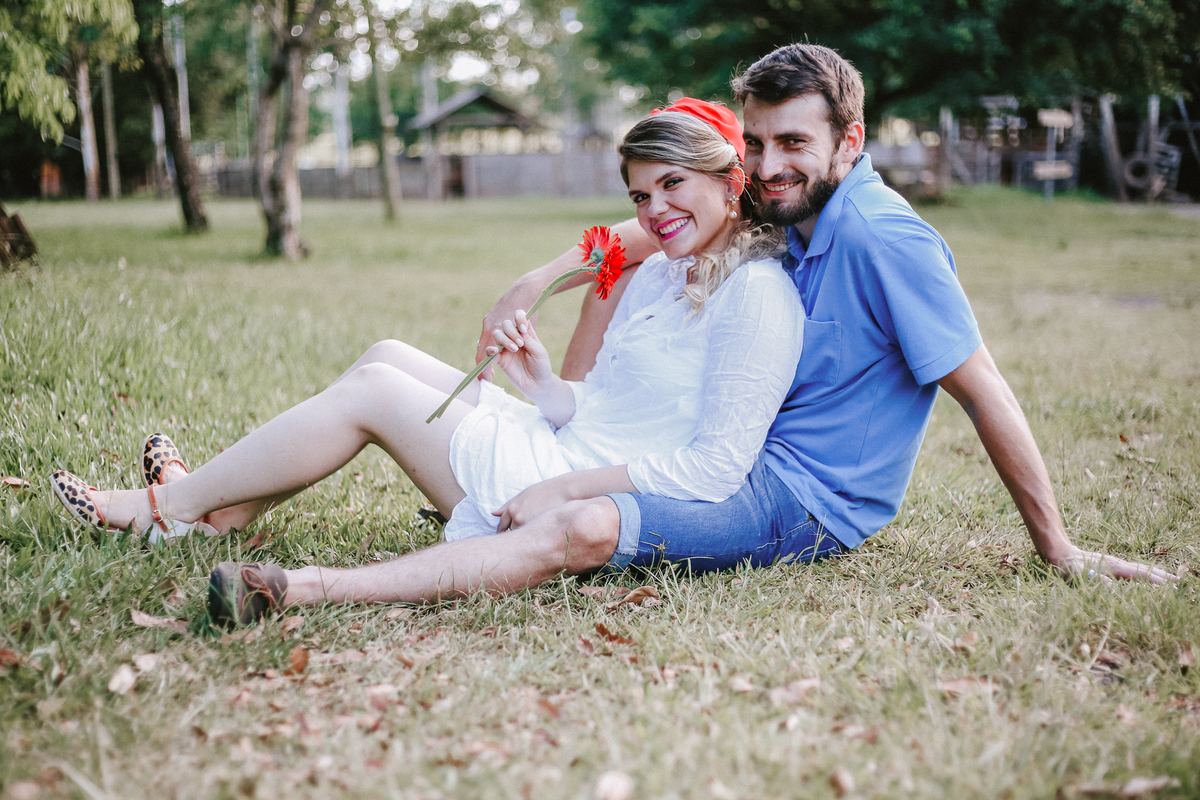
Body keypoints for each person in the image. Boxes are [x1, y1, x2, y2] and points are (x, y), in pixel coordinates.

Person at [49, 100, 814, 623]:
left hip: (574, 487)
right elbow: (602, 409)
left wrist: (561, 486)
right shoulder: (658, 273)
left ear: (730, 181)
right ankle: (217, 514)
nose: (652, 213)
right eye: (640, 195)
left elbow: (713, 470)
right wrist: (541, 381)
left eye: (670, 186)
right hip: (568, 447)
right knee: (386, 353)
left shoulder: (757, 296)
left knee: (378, 391)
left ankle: (166, 511)